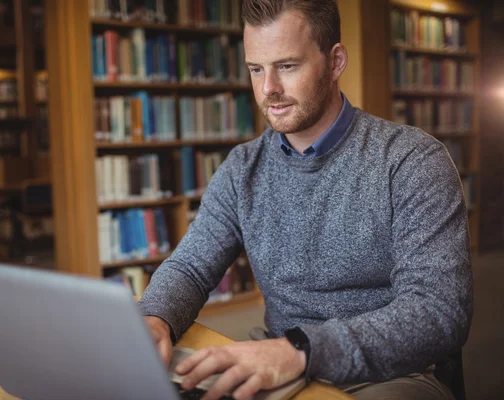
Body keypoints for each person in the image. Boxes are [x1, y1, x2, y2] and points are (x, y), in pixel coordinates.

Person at [138, 1, 473, 399]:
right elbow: (192, 267)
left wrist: (301, 349)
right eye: (256, 69)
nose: (268, 89)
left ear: (334, 62)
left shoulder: (411, 161)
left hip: (391, 374)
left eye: (288, 66)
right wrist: (156, 317)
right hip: (279, 364)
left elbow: (438, 312)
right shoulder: (243, 167)